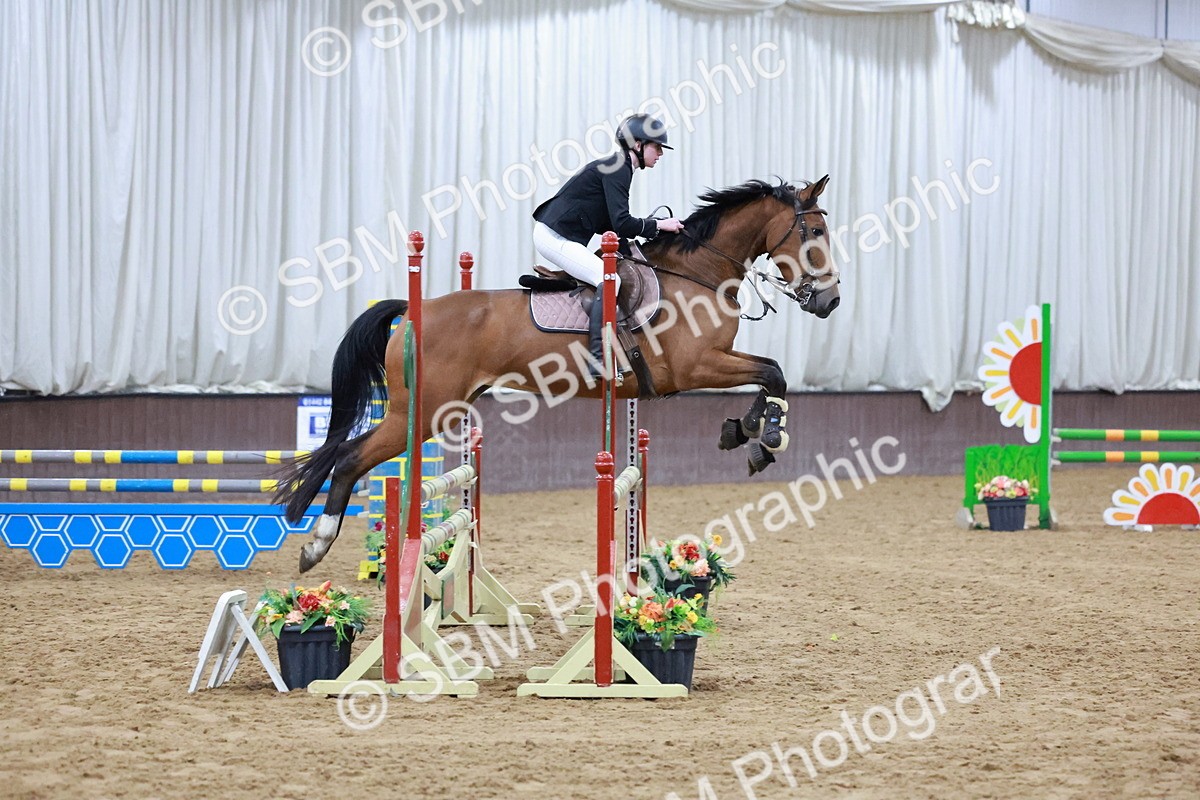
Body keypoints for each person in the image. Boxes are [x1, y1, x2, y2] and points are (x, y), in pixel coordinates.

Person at [532, 113, 685, 375]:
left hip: (560, 234)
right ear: (638, 144)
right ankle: (597, 358)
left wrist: (644, 237)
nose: (660, 153)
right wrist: (660, 225)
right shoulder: (618, 168)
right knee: (609, 279)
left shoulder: (620, 167)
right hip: (554, 237)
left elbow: (613, 226)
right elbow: (622, 223)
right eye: (657, 146)